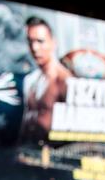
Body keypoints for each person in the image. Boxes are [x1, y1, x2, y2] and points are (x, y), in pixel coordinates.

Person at [17, 16, 72, 147]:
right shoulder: (30, 79)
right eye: (30, 42)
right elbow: (26, 119)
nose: (34, 48)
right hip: (28, 150)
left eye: (40, 41)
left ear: (53, 43)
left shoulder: (64, 79)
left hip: (53, 153)